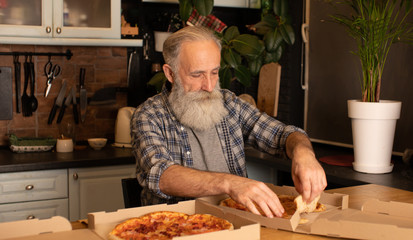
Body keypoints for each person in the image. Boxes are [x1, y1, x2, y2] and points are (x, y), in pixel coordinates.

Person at [131, 26, 327, 218]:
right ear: (170, 73)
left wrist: (304, 153)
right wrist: (230, 184)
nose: (209, 86)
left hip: (239, 221)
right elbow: (161, 176)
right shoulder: (148, 115)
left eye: (214, 72)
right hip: (175, 227)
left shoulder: (230, 104)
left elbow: (283, 135)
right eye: (197, 74)